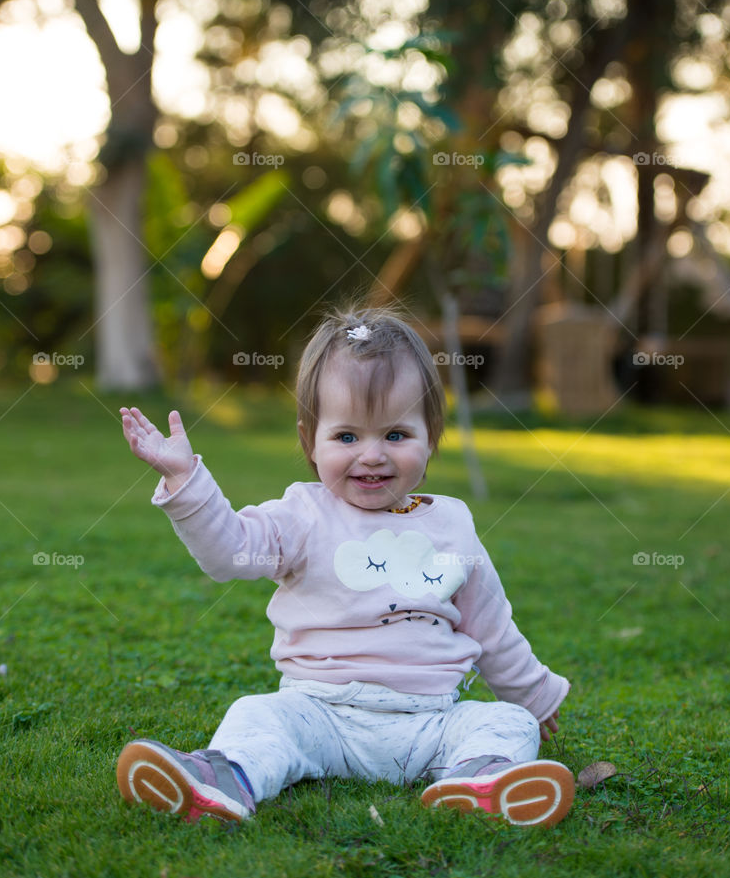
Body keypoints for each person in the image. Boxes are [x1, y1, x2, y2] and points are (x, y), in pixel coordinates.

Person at [116, 305, 575, 828]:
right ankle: (224, 779)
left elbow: (491, 624)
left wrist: (533, 695)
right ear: (311, 439)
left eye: (396, 435)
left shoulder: (452, 524)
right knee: (258, 715)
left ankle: (479, 779)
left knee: (509, 722)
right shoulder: (301, 515)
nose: (373, 455)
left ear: (432, 437)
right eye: (348, 437)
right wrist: (185, 482)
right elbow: (228, 552)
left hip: (431, 721)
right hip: (320, 712)